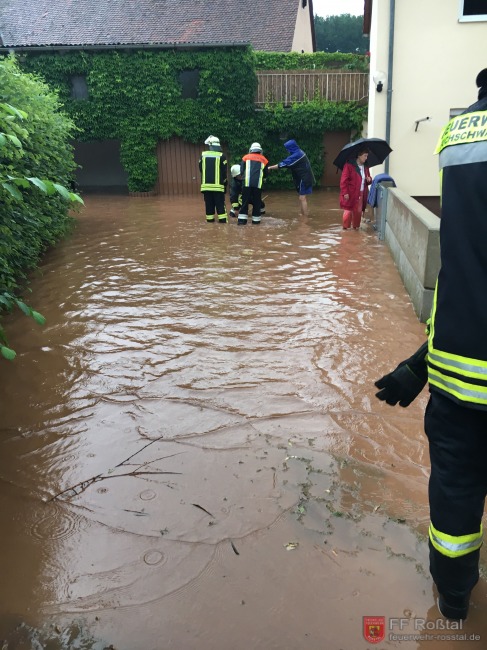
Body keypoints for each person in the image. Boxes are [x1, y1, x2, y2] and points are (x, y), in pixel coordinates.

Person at [373, 68, 487, 622]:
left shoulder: (457, 136)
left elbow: (462, 271)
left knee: (456, 495)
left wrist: (422, 364)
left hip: (458, 378)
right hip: (452, 371)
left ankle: (454, 603)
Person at [268, 139, 313, 217]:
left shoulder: (297, 155)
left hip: (304, 178)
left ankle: (305, 218)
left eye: (287, 148)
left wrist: (269, 168)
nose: (287, 150)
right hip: (304, 177)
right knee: (302, 197)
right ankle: (302, 215)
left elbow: (283, 164)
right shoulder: (299, 152)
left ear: (291, 147)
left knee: (302, 198)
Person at [339, 148, 372, 230]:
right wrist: (345, 192)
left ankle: (355, 228)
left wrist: (369, 180)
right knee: (348, 211)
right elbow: (343, 180)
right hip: (350, 193)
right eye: (365, 156)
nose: (366, 158)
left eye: (367, 156)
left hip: (361, 192)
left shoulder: (366, 166)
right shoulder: (349, 165)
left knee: (358, 211)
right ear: (359, 155)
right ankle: (345, 229)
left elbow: (368, 179)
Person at [237, 142, 269, 226]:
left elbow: (241, 170)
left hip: (246, 184)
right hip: (258, 185)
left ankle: (242, 222)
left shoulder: (245, 157)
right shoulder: (264, 160)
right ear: (260, 150)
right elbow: (265, 173)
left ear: (251, 150)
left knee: (244, 202)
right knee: (257, 202)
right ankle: (256, 222)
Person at [199, 135, 228, 223]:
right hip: (218, 188)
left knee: (209, 207)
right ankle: (223, 225)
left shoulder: (202, 156)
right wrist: (225, 184)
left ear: (210, 145)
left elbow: (201, 169)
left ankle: (210, 225)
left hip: (206, 187)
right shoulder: (222, 156)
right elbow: (224, 172)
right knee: (220, 208)